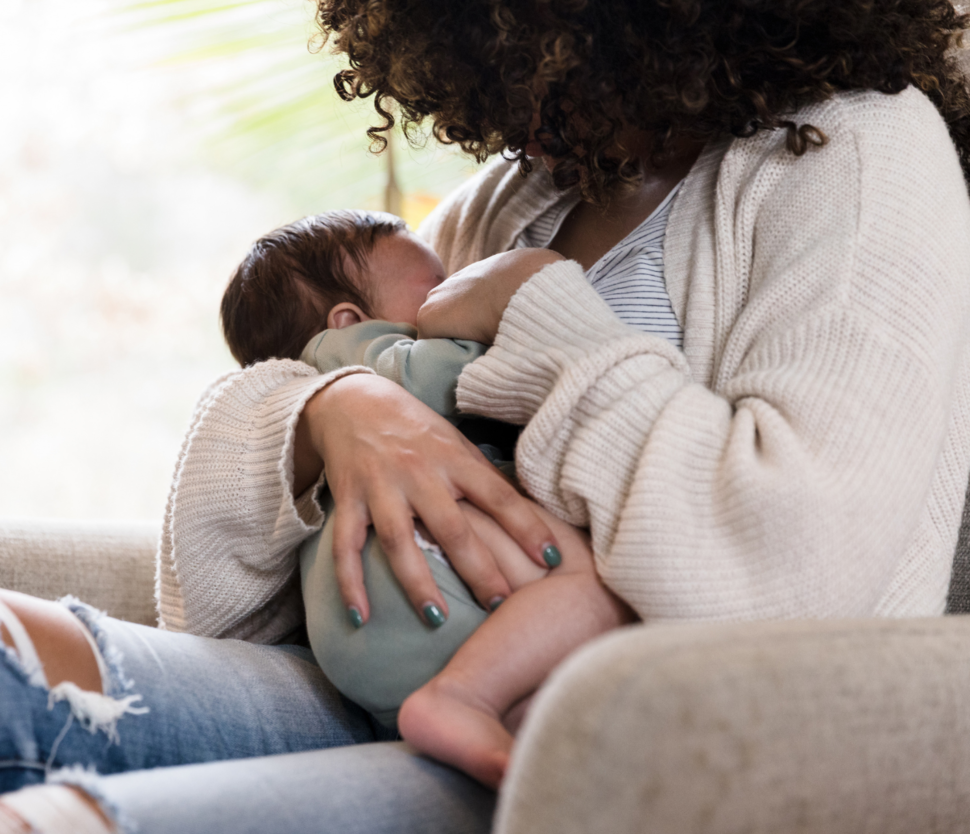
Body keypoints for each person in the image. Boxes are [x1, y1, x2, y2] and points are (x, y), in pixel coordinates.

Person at [1, 1, 969, 832]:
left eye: (540, 72)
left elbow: (795, 581)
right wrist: (332, 409)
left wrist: (536, 306)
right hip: (385, 687)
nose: (505, 123)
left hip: (621, 740)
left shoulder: (857, 150)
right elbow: (224, 594)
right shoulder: (523, 191)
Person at [218, 208, 634, 786]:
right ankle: (460, 696)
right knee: (599, 586)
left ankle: (478, 720)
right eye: (437, 287)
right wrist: (510, 307)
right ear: (349, 319)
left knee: (537, 730)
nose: (451, 293)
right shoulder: (358, 353)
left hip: (358, 633)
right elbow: (452, 375)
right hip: (413, 581)